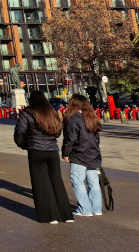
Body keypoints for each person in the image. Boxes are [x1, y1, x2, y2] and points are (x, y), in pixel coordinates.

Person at [14, 91, 73, 224]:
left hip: (36, 150)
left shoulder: (28, 113)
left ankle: (49, 216)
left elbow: (20, 131)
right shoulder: (51, 112)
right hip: (52, 150)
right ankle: (65, 214)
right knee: (57, 182)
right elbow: (58, 131)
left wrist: (24, 144)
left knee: (40, 183)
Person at [62, 94, 103, 217]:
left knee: (77, 181)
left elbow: (71, 138)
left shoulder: (73, 118)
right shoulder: (92, 117)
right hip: (93, 153)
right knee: (93, 182)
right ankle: (96, 208)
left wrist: (66, 153)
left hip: (79, 153)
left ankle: (84, 209)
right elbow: (96, 138)